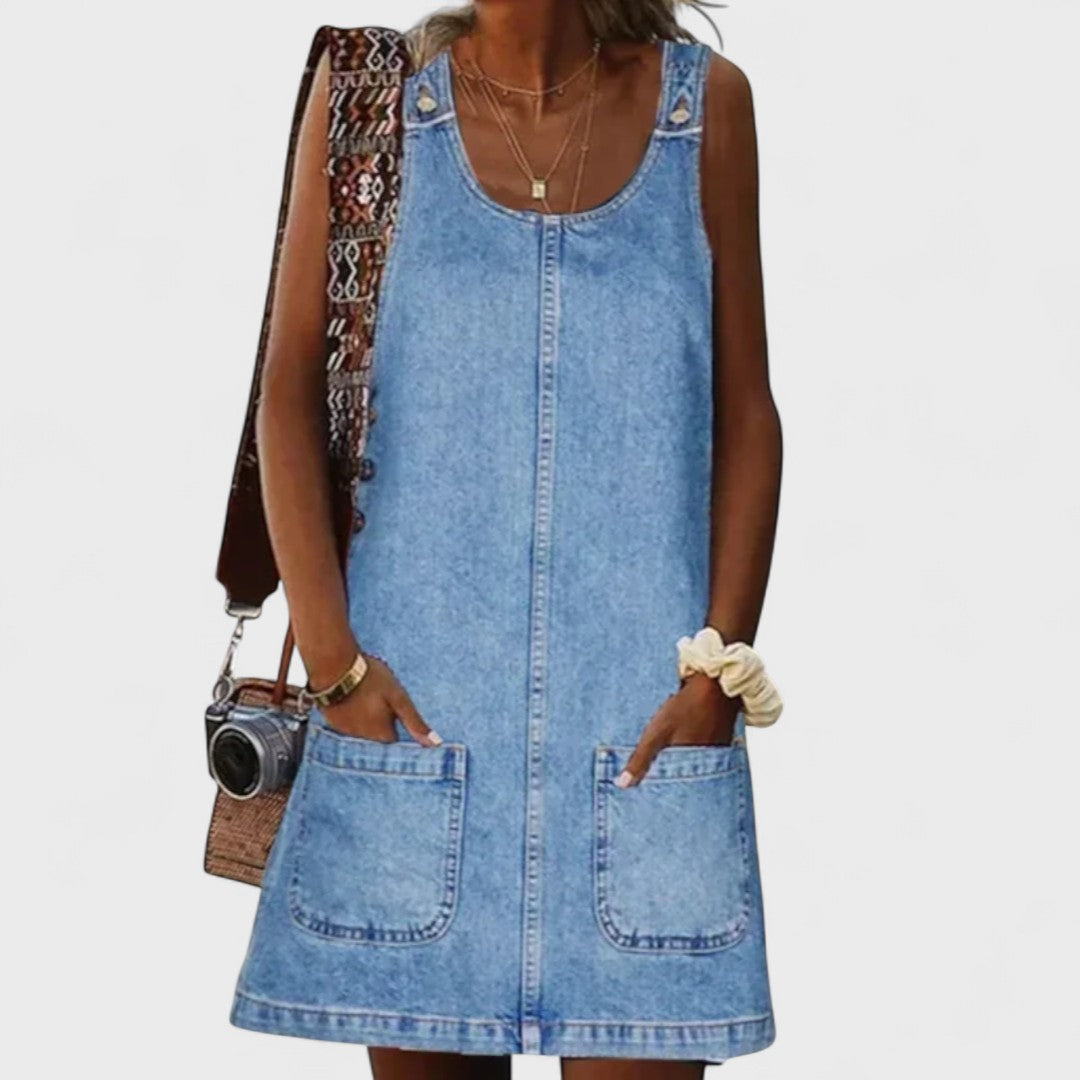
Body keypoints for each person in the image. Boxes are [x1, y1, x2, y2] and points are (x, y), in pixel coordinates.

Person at [229, 2, 784, 1076]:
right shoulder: (368, 103)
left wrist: (720, 668)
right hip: (411, 726)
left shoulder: (706, 110)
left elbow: (747, 410)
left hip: (645, 735)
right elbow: (287, 393)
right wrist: (335, 666)